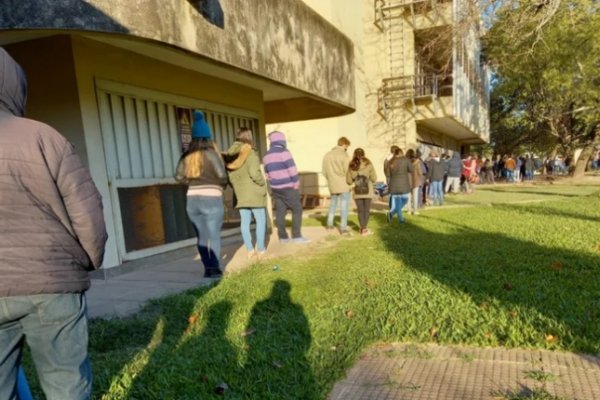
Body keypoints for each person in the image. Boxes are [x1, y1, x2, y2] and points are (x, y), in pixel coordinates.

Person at [0, 47, 108, 400]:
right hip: (52, 282)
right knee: (66, 383)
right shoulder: (43, 136)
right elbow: (87, 210)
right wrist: (88, 261)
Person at [175, 111, 228, 278]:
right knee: (214, 235)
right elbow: (222, 176)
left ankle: (208, 268)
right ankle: (215, 268)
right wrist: (220, 187)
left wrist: (192, 183)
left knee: (202, 237)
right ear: (207, 137)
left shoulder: (186, 156)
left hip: (192, 200)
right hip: (212, 199)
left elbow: (178, 177)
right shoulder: (212, 155)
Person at [225, 127, 268, 259]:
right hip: (254, 192)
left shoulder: (230, 155)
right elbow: (255, 173)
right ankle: (260, 249)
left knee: (244, 222)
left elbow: (230, 177)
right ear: (249, 137)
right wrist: (262, 183)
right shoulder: (250, 152)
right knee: (260, 221)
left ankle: (250, 250)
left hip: (241, 193)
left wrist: (238, 187)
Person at [262, 131, 310, 243]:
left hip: (275, 188)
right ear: (281, 141)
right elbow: (292, 169)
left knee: (280, 211)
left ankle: (283, 237)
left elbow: (267, 173)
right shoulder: (285, 152)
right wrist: (296, 183)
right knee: (297, 209)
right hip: (288, 187)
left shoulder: (266, 155)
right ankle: (297, 236)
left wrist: (274, 181)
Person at [322, 137, 352, 235]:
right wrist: (351, 183)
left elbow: (324, 171)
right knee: (344, 206)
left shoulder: (327, 155)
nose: (346, 148)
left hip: (332, 184)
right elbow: (347, 171)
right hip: (343, 184)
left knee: (333, 204)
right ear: (344, 144)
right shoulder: (344, 155)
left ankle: (329, 225)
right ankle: (343, 228)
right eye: (347, 146)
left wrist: (330, 179)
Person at [346, 148, 377, 235]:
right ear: (364, 154)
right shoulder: (368, 164)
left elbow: (348, 181)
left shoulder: (352, 165)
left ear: (354, 154)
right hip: (368, 191)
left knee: (360, 210)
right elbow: (374, 178)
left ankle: (362, 228)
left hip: (357, 192)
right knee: (366, 210)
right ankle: (364, 229)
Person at [385, 147, 413, 223]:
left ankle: (391, 214)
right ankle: (401, 220)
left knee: (399, 203)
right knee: (405, 200)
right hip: (404, 186)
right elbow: (411, 169)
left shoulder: (390, 161)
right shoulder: (406, 160)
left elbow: (387, 174)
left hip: (394, 185)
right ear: (401, 153)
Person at [406, 149, 422, 215]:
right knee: (415, 196)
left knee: (408, 196)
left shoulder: (405, 162)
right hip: (416, 180)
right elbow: (420, 172)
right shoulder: (417, 162)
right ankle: (415, 211)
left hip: (408, 180)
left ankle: (408, 211)